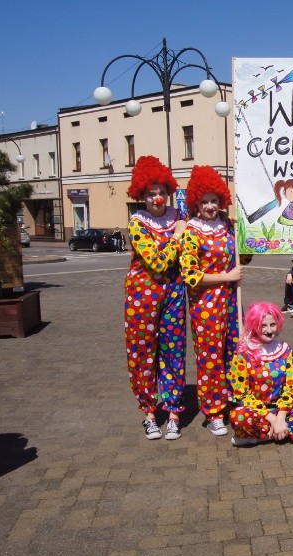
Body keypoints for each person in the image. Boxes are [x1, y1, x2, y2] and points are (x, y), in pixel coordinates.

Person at [123, 155, 187, 441]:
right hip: (142, 295)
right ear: (142, 195)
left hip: (174, 292)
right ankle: (150, 413)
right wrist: (177, 237)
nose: (157, 197)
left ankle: (173, 412)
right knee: (143, 354)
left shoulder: (179, 217)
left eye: (161, 192)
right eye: (151, 193)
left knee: (174, 351)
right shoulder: (137, 224)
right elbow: (158, 263)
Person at [180, 165, 243, 437]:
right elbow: (189, 275)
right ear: (196, 202)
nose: (209, 206)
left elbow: (241, 258)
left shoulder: (227, 224)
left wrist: (246, 240)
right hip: (206, 305)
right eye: (204, 201)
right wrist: (227, 275)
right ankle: (213, 412)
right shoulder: (192, 231)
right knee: (210, 358)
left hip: (230, 301)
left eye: (214, 200)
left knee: (234, 351)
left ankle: (232, 400)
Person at [228, 302, 293, 446]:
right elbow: (242, 394)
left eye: (272, 325)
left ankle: (264, 436)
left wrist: (280, 418)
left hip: (282, 412)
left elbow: (289, 387)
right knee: (238, 416)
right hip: (256, 413)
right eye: (263, 326)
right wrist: (272, 419)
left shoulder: (285, 350)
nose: (269, 330)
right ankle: (281, 432)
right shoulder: (243, 353)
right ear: (254, 325)